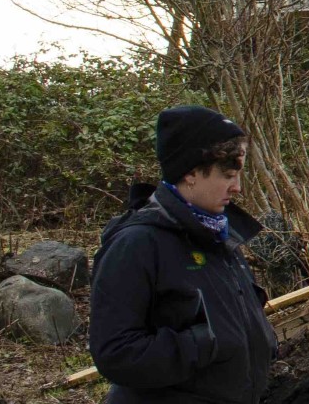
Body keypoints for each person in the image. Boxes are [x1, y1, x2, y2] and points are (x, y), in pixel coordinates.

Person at [89, 106, 277, 403]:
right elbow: (116, 353)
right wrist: (202, 344)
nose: (238, 187)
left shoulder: (218, 235)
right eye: (227, 175)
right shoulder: (137, 243)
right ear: (190, 173)